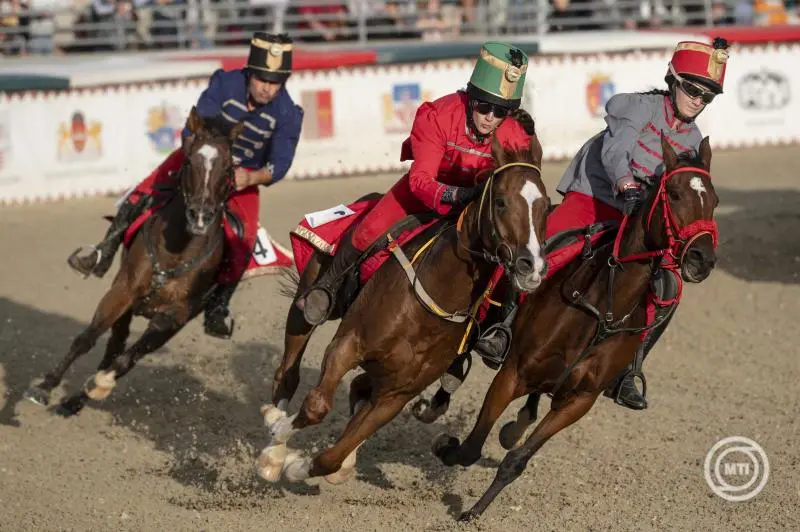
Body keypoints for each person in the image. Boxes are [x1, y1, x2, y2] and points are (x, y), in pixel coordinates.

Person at [295, 41, 537, 362]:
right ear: (470, 98)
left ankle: (499, 326)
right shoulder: (438, 116)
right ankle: (327, 285)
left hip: (477, 206)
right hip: (423, 195)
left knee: (515, 251)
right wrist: (457, 195)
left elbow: (526, 174)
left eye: (501, 112)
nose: (491, 118)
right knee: (369, 229)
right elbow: (420, 181)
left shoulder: (514, 133)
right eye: (484, 107)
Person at [66, 32, 304, 340]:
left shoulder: (287, 113)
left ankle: (218, 306)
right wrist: (194, 156)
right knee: (142, 193)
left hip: (240, 181)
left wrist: (251, 177)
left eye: (276, 81)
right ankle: (103, 252)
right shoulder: (224, 84)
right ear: (250, 71)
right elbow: (195, 125)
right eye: (263, 79)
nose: (268, 88)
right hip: (196, 159)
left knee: (243, 239)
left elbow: (280, 164)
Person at [547, 37, 730, 410]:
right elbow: (616, 152)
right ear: (672, 80)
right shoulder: (637, 107)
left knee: (668, 287)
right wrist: (627, 185)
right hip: (594, 196)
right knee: (544, 251)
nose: (698, 100)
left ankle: (629, 369)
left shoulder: (693, 139)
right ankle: (498, 323)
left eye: (707, 96)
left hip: (637, 217)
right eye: (693, 89)